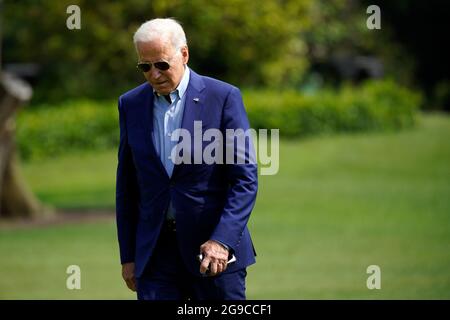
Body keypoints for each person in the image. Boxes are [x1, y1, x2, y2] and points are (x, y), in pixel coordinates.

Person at [115, 18, 258, 300]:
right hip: (155, 255)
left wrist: (221, 241)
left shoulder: (224, 97)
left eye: (162, 64)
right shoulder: (129, 104)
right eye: (145, 67)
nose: (154, 74)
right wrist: (129, 255)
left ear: (184, 54)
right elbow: (127, 187)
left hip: (214, 253)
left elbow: (244, 179)